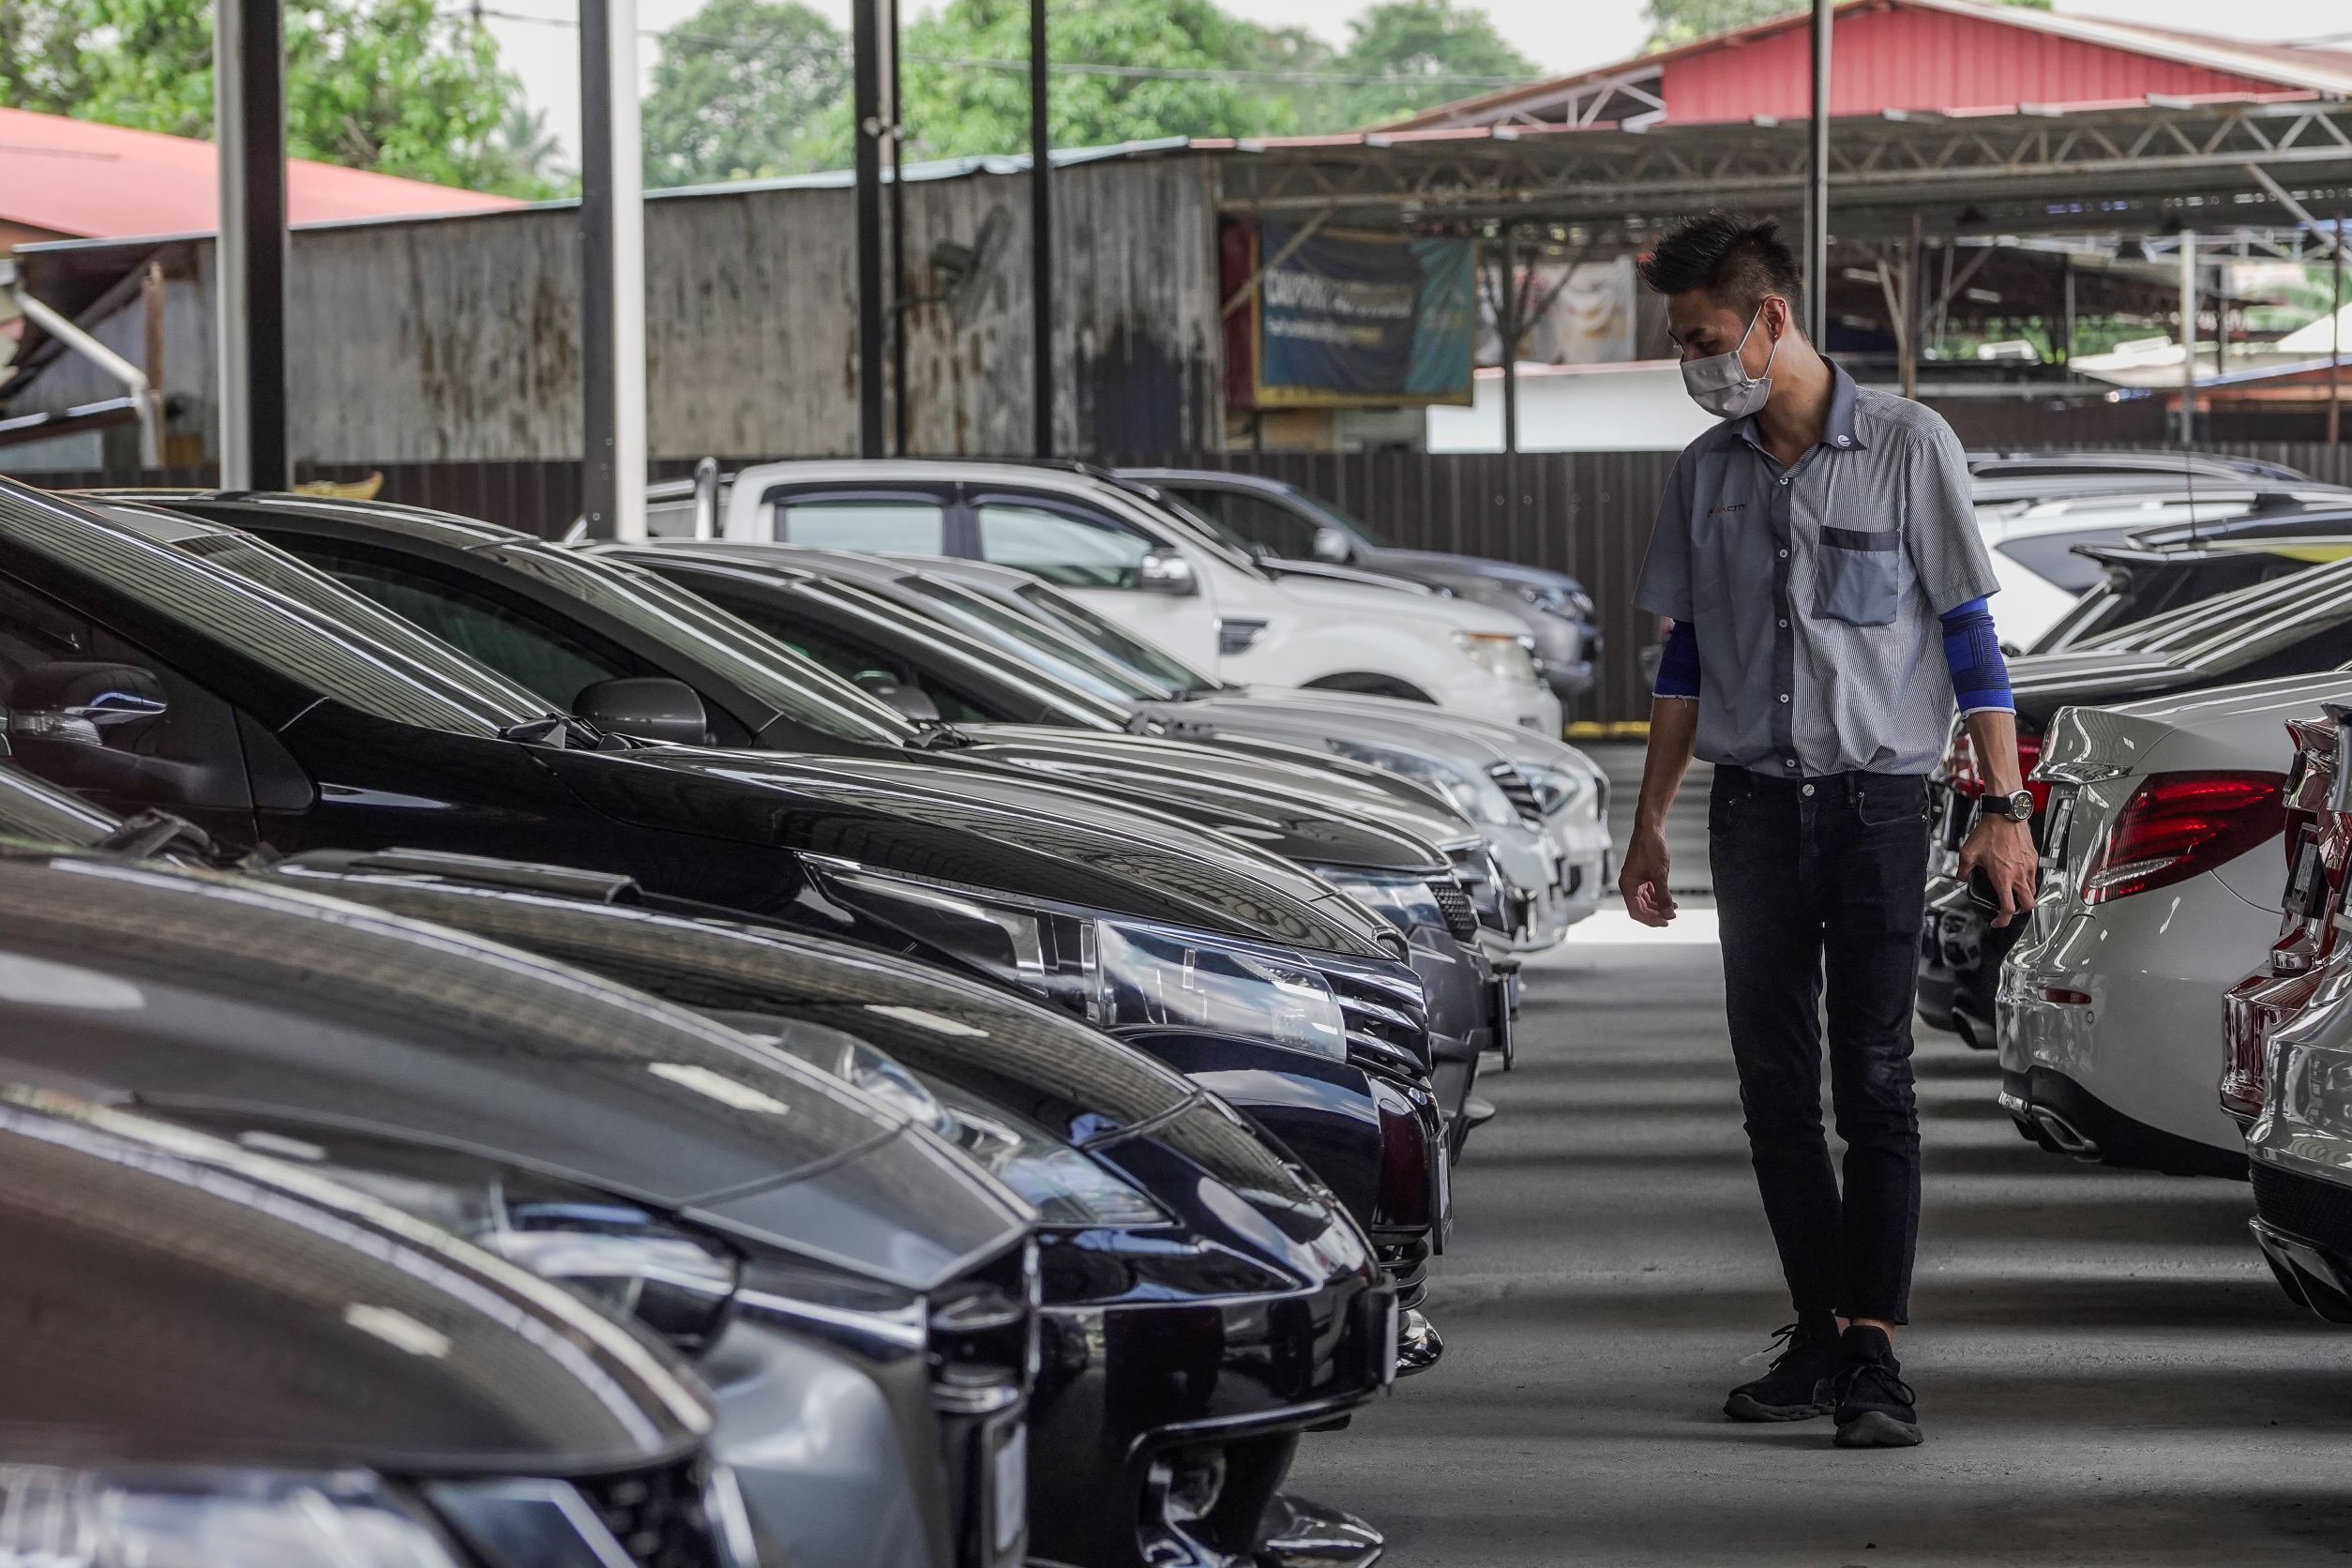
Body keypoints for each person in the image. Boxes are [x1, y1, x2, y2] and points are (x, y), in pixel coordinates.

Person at [1617, 213, 2037, 1451]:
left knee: (1876, 1078)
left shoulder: (1909, 445)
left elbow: (1972, 644)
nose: (1695, 361)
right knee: (1773, 1088)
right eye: (1681, 343)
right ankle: (1815, 1329)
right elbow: (1683, 663)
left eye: (1704, 338)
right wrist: (1649, 826)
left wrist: (2004, 809)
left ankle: (1876, 1353)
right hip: (1750, 814)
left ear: (1772, 321)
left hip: (1875, 811)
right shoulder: (1706, 472)